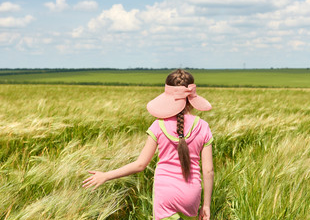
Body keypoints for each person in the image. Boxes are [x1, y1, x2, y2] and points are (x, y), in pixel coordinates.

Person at [82, 69, 214, 220]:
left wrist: (106, 175)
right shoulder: (203, 126)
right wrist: (206, 206)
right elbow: (208, 170)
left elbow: (140, 165)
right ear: (191, 98)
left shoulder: (158, 126)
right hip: (191, 194)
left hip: (164, 193)